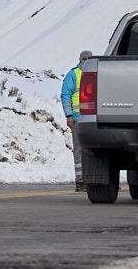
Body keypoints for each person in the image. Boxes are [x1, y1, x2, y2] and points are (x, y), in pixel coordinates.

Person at [61, 50, 93, 192]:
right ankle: (80, 181)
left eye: (89, 59)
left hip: (92, 120)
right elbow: (65, 95)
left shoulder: (94, 74)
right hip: (78, 119)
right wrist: (69, 115)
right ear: (80, 59)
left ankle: (95, 180)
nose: (86, 61)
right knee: (80, 151)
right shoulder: (73, 74)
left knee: (95, 151)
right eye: (84, 59)